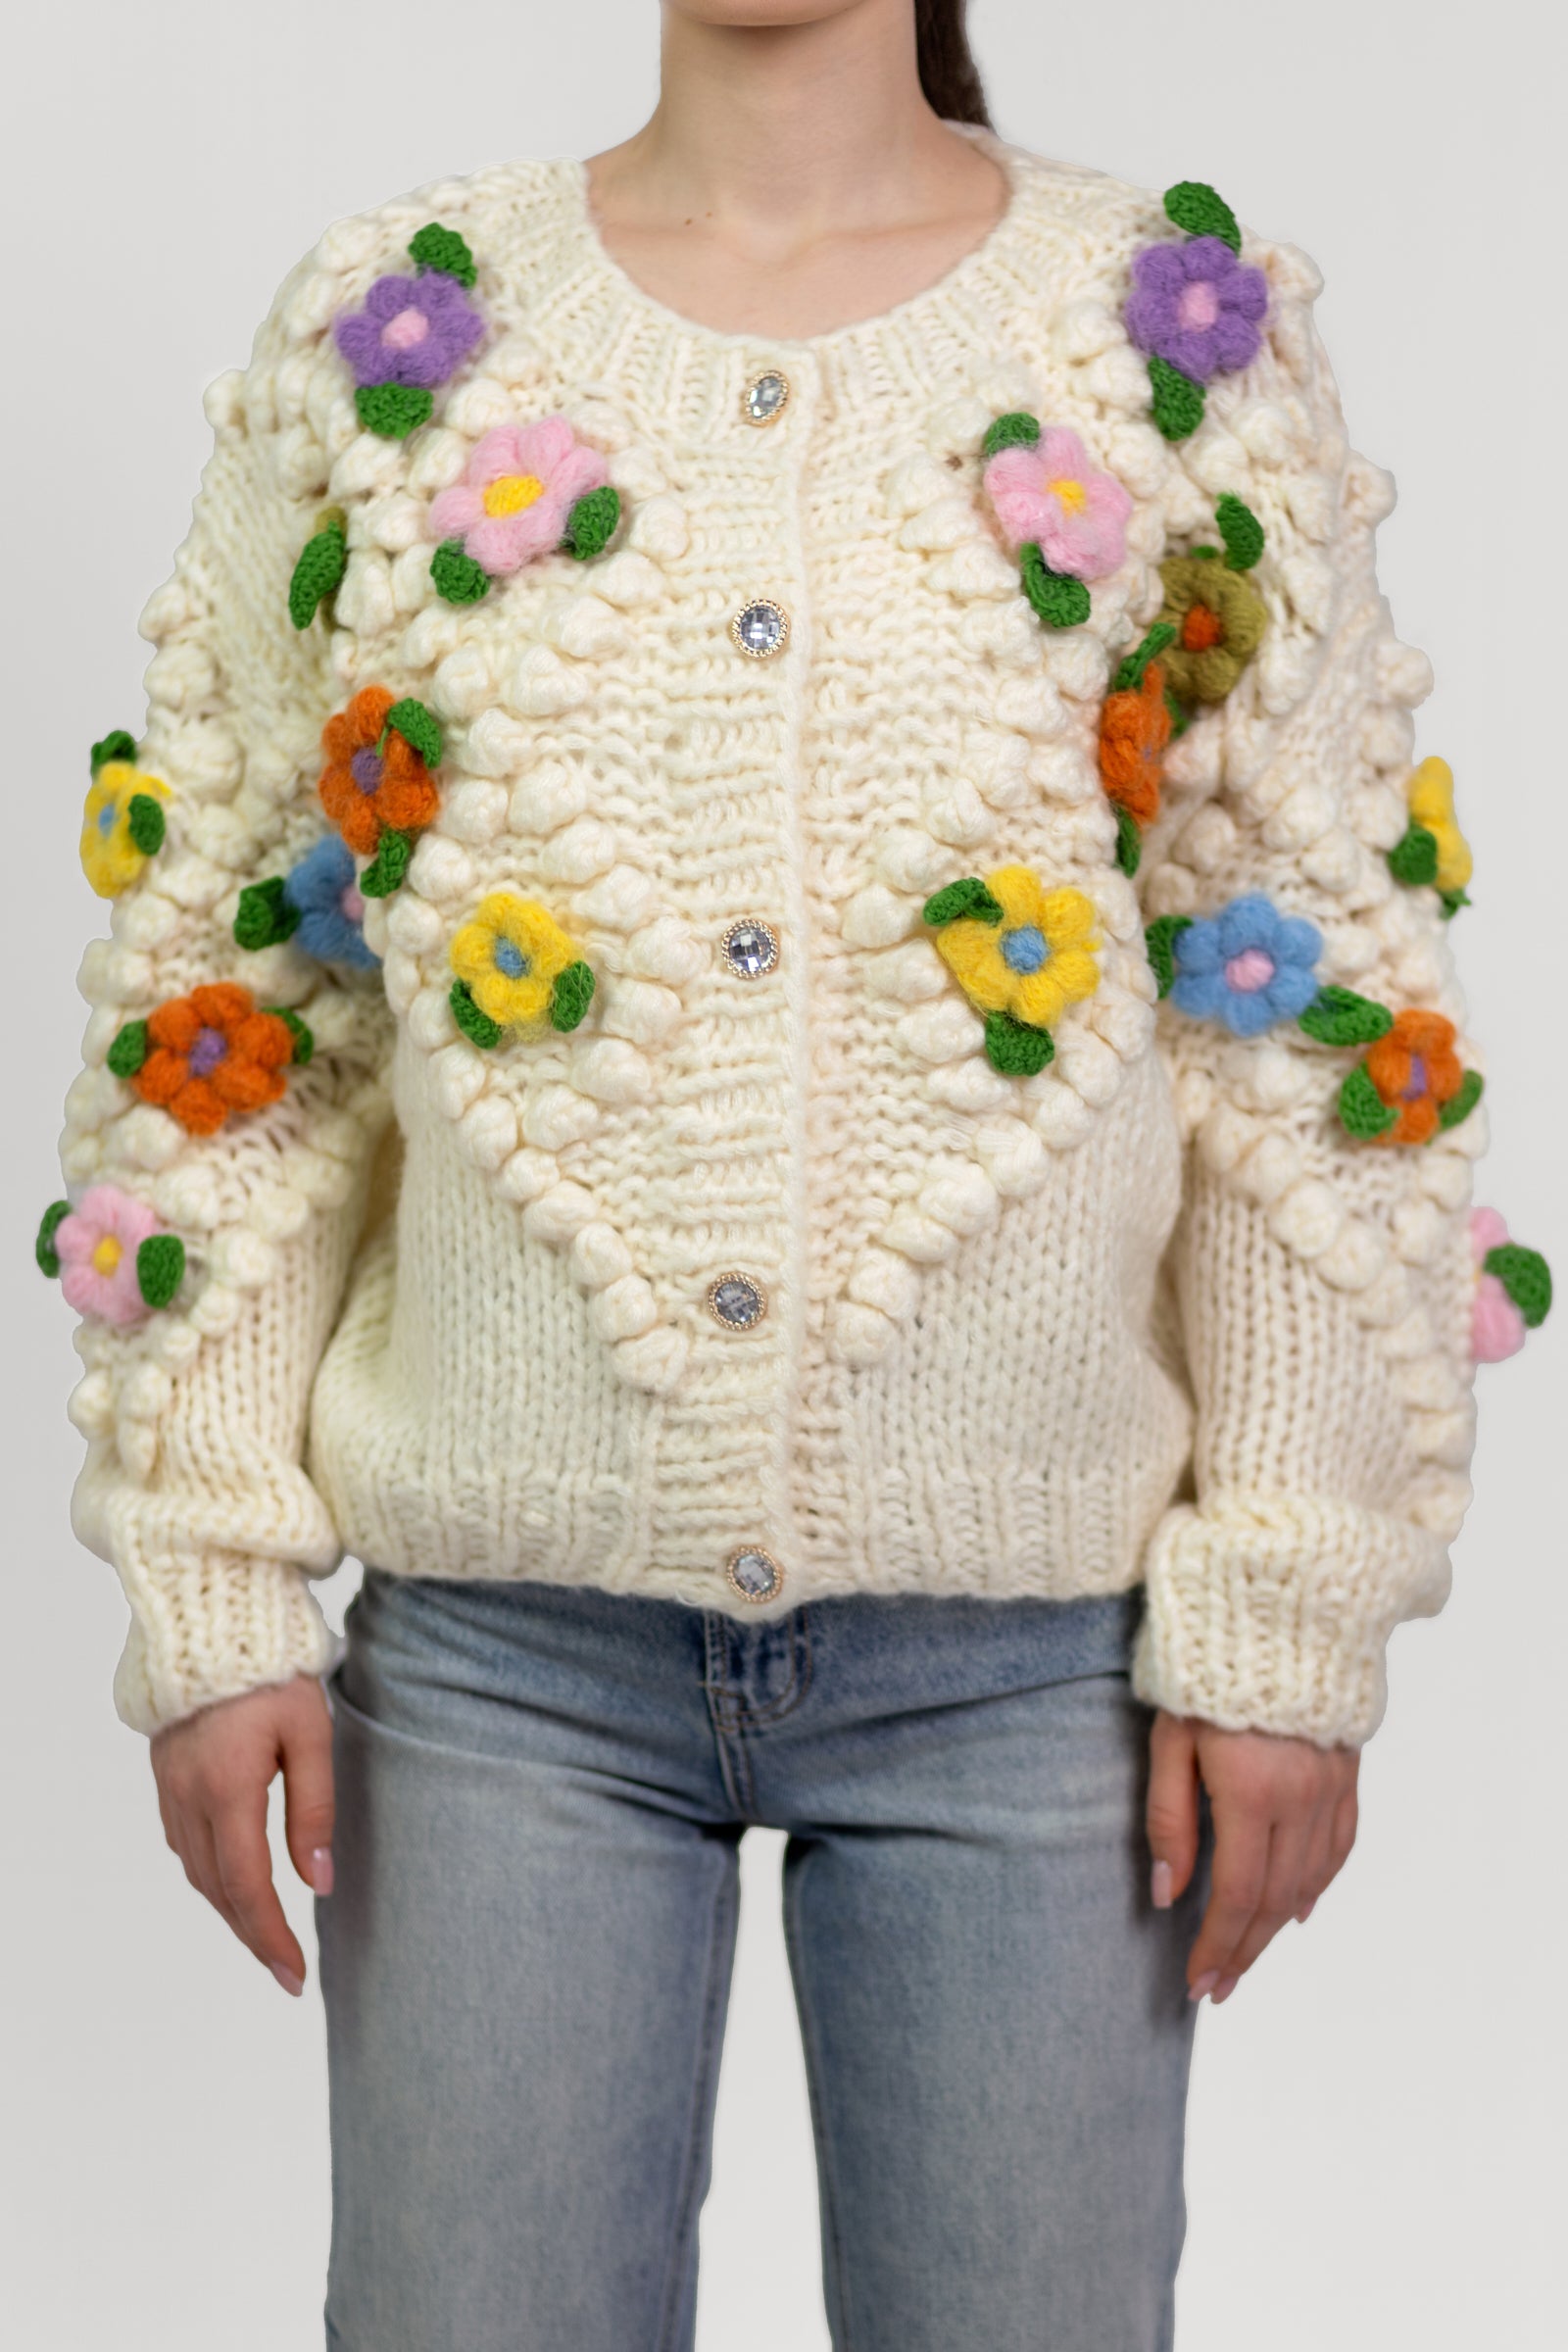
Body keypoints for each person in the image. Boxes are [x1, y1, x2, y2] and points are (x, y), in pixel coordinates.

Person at [40, 1, 1554, 2345]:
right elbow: (243, 967)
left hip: (1036, 1667)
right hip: (496, 1658)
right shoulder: (392, 329)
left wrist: (1291, 1588)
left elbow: (1291, 992)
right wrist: (210, 1556)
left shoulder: (1172, 341)